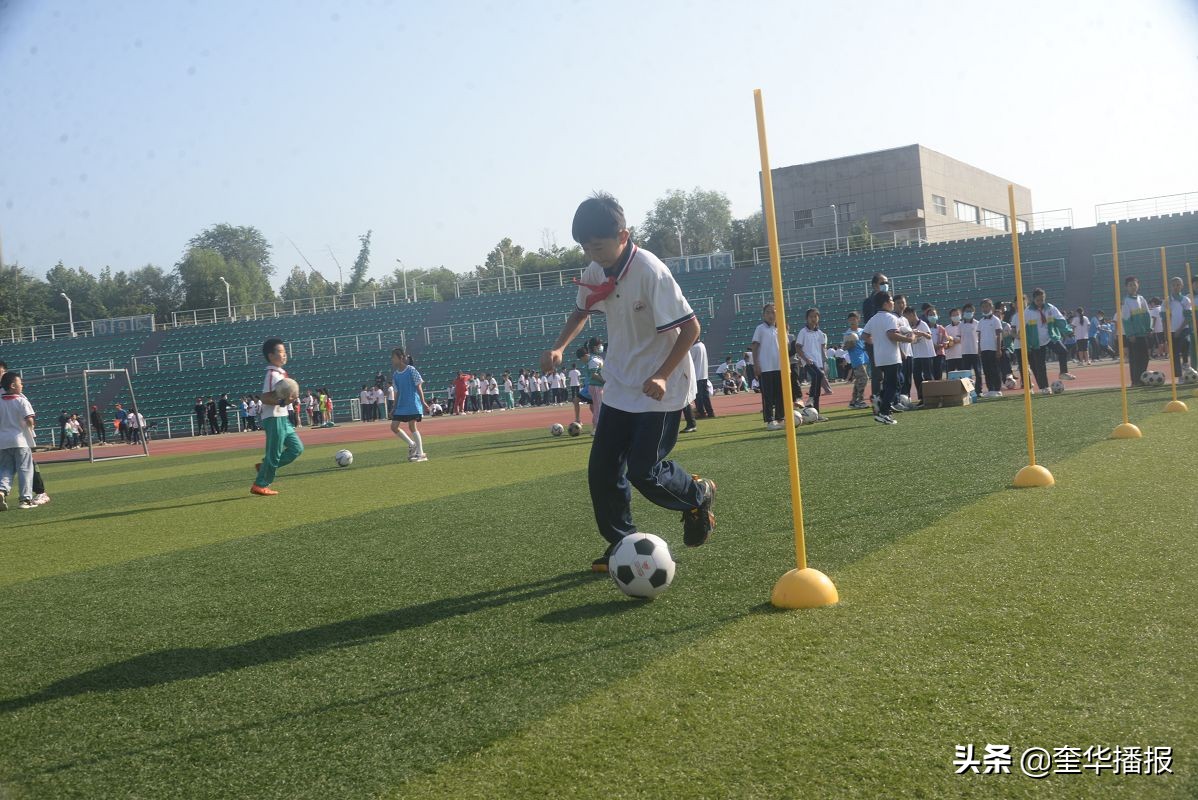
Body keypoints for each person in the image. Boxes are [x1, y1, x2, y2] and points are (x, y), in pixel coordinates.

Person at [541, 192, 715, 573]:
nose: (593, 252)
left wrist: (662, 374)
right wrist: (558, 347)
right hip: (621, 383)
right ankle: (621, 544)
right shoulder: (593, 269)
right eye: (585, 246)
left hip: (661, 387)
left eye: (598, 244)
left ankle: (696, 495)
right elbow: (580, 311)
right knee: (602, 470)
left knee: (643, 470)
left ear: (624, 234)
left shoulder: (651, 272)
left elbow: (691, 329)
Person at [251, 338, 304, 496]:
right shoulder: (272, 374)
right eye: (281, 352)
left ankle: (265, 467)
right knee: (274, 454)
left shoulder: (281, 373)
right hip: (273, 418)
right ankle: (260, 485)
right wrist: (283, 400)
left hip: (283, 417)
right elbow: (265, 397)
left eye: (285, 352)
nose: (284, 355)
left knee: (296, 448)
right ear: (271, 355)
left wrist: (288, 400)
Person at [862, 291, 912, 424]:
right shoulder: (891, 318)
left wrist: (877, 343)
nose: (893, 303)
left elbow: (865, 336)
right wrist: (909, 340)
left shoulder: (873, 318)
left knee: (890, 383)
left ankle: (880, 400)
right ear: (885, 303)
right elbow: (892, 335)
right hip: (891, 356)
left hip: (880, 357)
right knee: (894, 384)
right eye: (891, 300)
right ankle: (884, 413)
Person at [0, 370, 38, 510]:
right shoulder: (21, 400)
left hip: (3, 442)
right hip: (20, 440)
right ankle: (25, 499)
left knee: (5, 469)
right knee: (25, 469)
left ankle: (2, 490)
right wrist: (31, 425)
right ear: (12, 386)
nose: (22, 385)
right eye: (19, 383)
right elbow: (29, 419)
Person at [389, 346, 428, 462]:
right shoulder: (396, 374)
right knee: (394, 427)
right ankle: (412, 444)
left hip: (412, 404)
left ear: (400, 358)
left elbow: (419, 386)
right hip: (401, 405)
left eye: (393, 357)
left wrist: (423, 402)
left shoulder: (411, 370)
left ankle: (421, 454)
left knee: (412, 426)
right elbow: (397, 392)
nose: (392, 360)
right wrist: (394, 408)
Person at [751, 303, 786, 430]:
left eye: (773, 312)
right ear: (763, 315)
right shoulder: (760, 329)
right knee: (768, 395)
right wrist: (756, 364)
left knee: (780, 394)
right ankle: (770, 421)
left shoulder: (780, 329)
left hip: (779, 367)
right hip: (765, 368)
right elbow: (754, 347)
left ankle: (780, 418)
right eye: (768, 312)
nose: (771, 315)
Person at [794, 307, 829, 421]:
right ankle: (810, 398)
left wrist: (824, 362)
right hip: (808, 361)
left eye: (815, 316)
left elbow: (822, 349)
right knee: (817, 376)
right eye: (811, 317)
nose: (813, 319)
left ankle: (816, 413)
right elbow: (798, 347)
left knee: (818, 384)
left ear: (818, 318)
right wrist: (804, 358)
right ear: (807, 319)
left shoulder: (820, 333)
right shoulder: (803, 332)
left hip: (818, 362)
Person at [861, 272, 890, 402]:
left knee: (889, 371)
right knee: (877, 372)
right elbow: (870, 322)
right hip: (874, 341)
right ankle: (877, 399)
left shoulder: (889, 300)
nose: (886, 285)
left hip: (888, 341)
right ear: (874, 285)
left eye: (887, 283)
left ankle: (889, 399)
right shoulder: (869, 302)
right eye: (882, 283)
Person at [1121, 277, 1152, 385]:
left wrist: (1149, 328)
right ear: (1126, 287)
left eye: (1134, 284)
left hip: (1143, 333)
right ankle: (1135, 381)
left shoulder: (1141, 298)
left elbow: (1147, 314)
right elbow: (1126, 319)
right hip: (1134, 335)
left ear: (1138, 285)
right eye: (1130, 285)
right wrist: (1130, 334)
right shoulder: (1126, 301)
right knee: (1135, 358)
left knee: (1145, 357)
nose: (1133, 287)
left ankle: (1142, 378)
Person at [906, 306, 935, 405]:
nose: (907, 319)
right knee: (917, 376)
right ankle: (922, 397)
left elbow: (929, 336)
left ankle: (931, 396)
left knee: (928, 375)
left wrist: (921, 333)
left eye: (907, 316)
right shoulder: (910, 327)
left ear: (912, 315)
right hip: (917, 355)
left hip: (926, 354)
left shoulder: (922, 324)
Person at [1166, 276, 1193, 377]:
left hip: (1184, 329)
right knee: (1175, 353)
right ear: (1170, 287)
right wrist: (1166, 333)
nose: (1176, 287)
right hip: (1172, 330)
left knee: (1185, 346)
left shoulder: (1185, 300)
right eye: (1173, 285)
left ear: (1182, 286)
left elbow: (1188, 317)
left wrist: (1180, 329)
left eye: (1178, 285)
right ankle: (1179, 375)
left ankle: (1186, 365)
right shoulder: (1168, 301)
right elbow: (1165, 318)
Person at [977, 299, 1005, 397]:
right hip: (984, 349)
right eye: (983, 306)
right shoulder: (980, 321)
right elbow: (979, 336)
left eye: (987, 306)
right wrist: (979, 348)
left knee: (995, 369)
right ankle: (990, 389)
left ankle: (997, 389)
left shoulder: (996, 320)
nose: (985, 308)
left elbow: (999, 335)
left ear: (991, 307)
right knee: (987, 370)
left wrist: (998, 349)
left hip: (993, 348)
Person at [690, 336, 714, 419]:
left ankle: (701, 413)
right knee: (705, 395)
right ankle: (710, 412)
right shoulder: (702, 345)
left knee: (698, 396)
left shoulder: (694, 347)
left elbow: (689, 361)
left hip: (697, 375)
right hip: (703, 375)